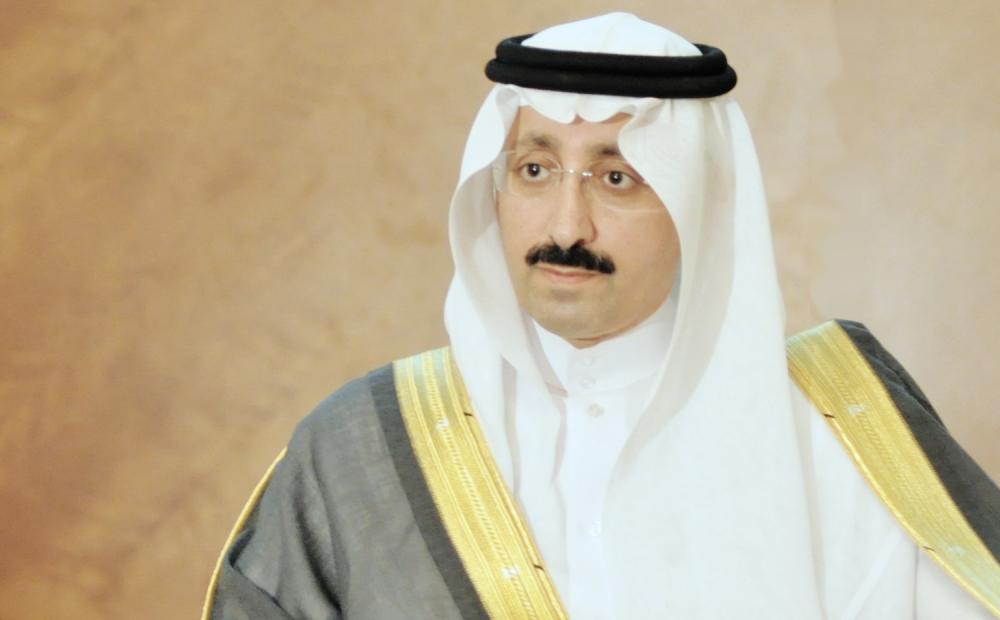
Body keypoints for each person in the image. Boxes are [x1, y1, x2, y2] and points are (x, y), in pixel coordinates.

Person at [203, 13, 999, 619]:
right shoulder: (362, 450)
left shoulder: (837, 440)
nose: (565, 226)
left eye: (617, 179)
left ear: (698, 207)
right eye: (534, 170)